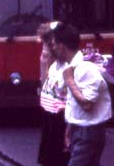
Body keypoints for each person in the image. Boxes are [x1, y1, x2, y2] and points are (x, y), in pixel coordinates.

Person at [54, 22, 111, 166]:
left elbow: (87, 104)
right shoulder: (71, 67)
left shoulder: (86, 68)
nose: (53, 48)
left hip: (89, 134)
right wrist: (70, 127)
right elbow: (74, 103)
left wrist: (70, 81)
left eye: (54, 44)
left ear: (61, 46)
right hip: (81, 130)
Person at [37, 22, 71, 166]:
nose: (45, 50)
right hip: (50, 118)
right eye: (44, 44)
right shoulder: (53, 66)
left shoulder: (69, 67)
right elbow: (45, 88)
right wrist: (43, 64)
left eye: (49, 44)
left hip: (61, 119)